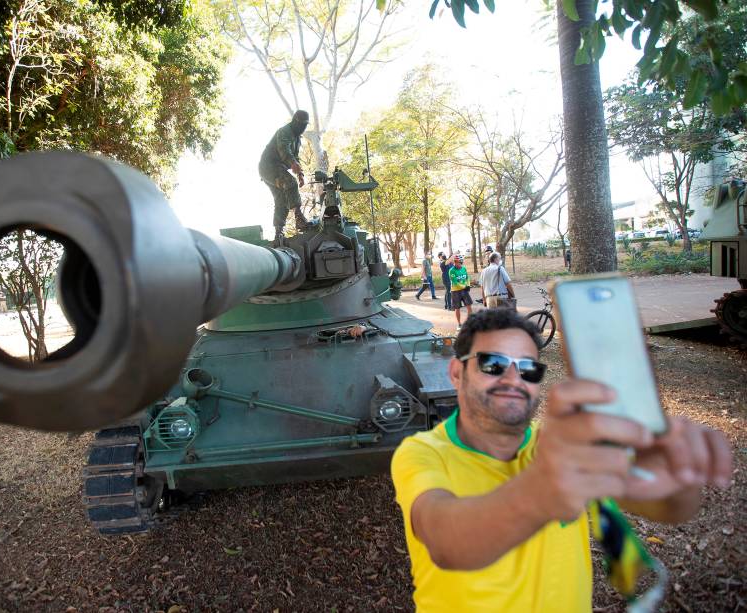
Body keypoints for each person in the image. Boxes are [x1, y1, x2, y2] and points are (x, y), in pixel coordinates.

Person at [391, 309, 732, 612]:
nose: (513, 380)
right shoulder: (421, 453)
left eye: (529, 369)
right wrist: (543, 487)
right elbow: (447, 542)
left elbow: (671, 509)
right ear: (455, 373)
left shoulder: (558, 445)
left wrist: (679, 476)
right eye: (492, 364)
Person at [259, 110, 313, 241]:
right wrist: (293, 163)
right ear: (295, 122)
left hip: (277, 168)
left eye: (306, 125)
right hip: (269, 167)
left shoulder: (297, 139)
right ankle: (299, 218)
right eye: (302, 125)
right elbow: (284, 149)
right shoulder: (285, 131)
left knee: (281, 200)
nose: (303, 128)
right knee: (290, 183)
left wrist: (300, 173)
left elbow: (295, 156)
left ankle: (279, 232)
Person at [448, 254, 472, 330]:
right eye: (455, 262)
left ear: (461, 262)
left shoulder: (464, 268)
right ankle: (459, 324)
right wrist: (464, 286)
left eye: (458, 262)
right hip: (455, 291)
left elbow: (467, 278)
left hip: (464, 290)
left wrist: (468, 285)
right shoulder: (451, 270)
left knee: (469, 306)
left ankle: (468, 323)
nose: (456, 263)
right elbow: (455, 282)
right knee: (457, 308)